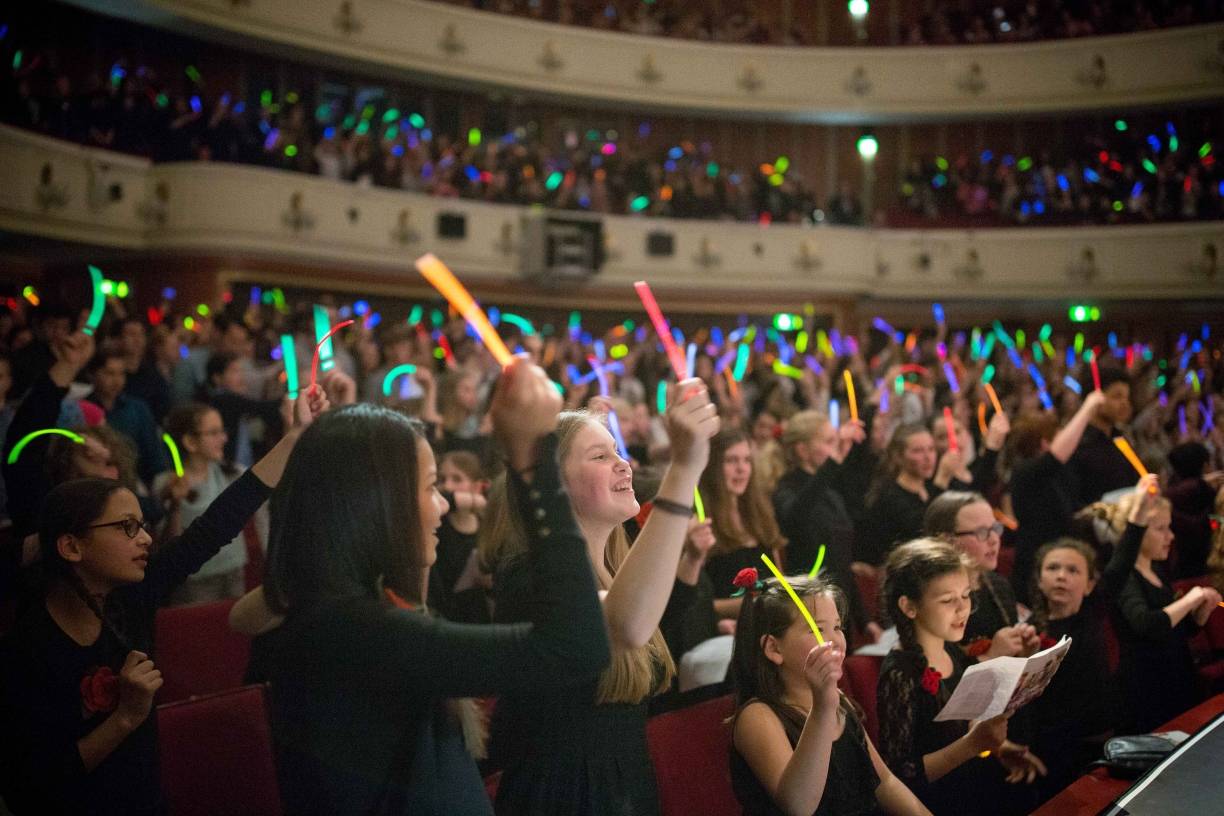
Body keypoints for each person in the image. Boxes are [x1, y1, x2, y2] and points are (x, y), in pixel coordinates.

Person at [232, 358, 612, 815]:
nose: (441, 506)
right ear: (378, 506)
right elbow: (575, 649)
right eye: (431, 487)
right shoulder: (358, 634)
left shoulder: (352, 606)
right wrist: (532, 461)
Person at [0, 387, 317, 815]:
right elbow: (31, 788)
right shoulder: (28, 646)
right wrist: (126, 717)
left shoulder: (131, 596)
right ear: (72, 547)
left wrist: (293, 436)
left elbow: (216, 524)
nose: (147, 538)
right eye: (127, 528)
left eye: (143, 525)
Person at [481, 379, 719, 815]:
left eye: (618, 450)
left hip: (625, 787)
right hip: (564, 798)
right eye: (600, 456)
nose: (624, 464)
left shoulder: (616, 569)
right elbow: (625, 624)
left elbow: (644, 623)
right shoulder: (529, 575)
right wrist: (683, 470)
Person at [729, 574, 931, 815]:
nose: (835, 640)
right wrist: (823, 708)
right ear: (774, 648)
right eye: (817, 629)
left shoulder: (838, 699)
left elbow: (885, 783)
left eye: (837, 627)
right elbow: (799, 806)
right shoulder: (757, 717)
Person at [877, 539, 1046, 816]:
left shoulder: (952, 650)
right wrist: (972, 746)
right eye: (947, 600)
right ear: (909, 606)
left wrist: (998, 748)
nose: (962, 609)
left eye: (966, 595)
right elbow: (900, 774)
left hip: (975, 791)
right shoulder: (900, 673)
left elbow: (964, 727)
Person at [1103, 474, 1222, 733]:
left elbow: (1176, 630)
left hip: (1175, 675)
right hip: (1147, 688)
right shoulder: (1125, 577)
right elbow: (1147, 624)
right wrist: (1190, 598)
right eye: (1161, 529)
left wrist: (1200, 613)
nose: (1170, 536)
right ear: (1136, 532)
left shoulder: (1156, 569)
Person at [772, 410, 881, 642]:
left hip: (837, 605)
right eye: (829, 441)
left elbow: (842, 560)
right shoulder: (787, 488)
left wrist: (864, 619)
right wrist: (832, 464)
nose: (836, 448)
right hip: (808, 605)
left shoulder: (831, 496)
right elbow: (795, 518)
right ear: (802, 450)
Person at [1027, 538, 1119, 803]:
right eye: (1053, 568)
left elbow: (1118, 570)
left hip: (1096, 741)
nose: (1061, 576)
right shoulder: (1028, 632)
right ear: (1039, 579)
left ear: (1090, 584)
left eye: (1073, 570)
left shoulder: (1096, 614)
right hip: (1051, 748)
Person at [1007, 390, 1105, 604]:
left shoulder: (1060, 474)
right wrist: (1088, 408)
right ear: (1044, 443)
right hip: (1035, 566)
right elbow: (1055, 457)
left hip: (1061, 556)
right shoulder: (1024, 472)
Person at [923, 492, 1039, 661]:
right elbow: (938, 678)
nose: (994, 540)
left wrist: (1023, 652)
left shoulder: (998, 585)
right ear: (946, 541)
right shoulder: (931, 600)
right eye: (982, 532)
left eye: (995, 529)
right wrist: (991, 656)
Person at [154, 402, 250, 605]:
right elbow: (168, 546)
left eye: (222, 431)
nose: (224, 438)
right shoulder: (166, 484)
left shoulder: (232, 473)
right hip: (193, 581)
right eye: (214, 433)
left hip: (233, 570)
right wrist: (175, 504)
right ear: (190, 441)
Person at [701, 428, 787, 622]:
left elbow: (779, 580)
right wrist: (751, 605)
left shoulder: (760, 513)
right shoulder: (701, 521)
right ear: (712, 466)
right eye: (731, 461)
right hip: (724, 632)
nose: (742, 468)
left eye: (747, 460)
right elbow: (696, 603)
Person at [860, 425, 954, 567]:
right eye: (918, 451)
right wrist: (941, 482)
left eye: (931, 449)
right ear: (898, 457)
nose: (928, 457)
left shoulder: (929, 489)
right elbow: (923, 532)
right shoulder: (889, 497)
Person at [428, 450, 490, 624]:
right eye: (442, 479)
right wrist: (475, 500)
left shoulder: (486, 526)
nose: (447, 486)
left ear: (477, 486)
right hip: (443, 618)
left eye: (457, 479)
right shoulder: (435, 526)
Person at [1067, 368, 1138, 507]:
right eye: (1117, 397)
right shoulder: (1077, 443)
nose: (1125, 403)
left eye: (1127, 398)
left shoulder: (1121, 440)